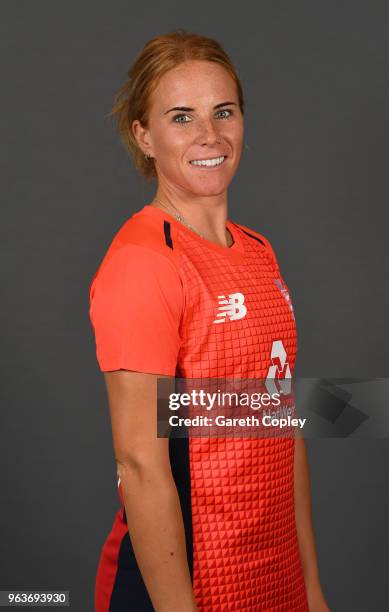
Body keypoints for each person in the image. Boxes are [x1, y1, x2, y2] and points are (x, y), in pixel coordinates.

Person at [89, 29, 330, 612]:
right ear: (144, 137)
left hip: (268, 577)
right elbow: (141, 465)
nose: (209, 136)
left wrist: (310, 590)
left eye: (224, 111)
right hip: (180, 587)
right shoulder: (143, 262)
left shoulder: (257, 251)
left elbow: (279, 423)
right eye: (181, 117)